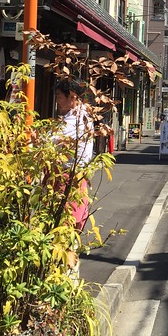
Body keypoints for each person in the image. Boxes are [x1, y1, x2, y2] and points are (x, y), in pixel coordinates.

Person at [54, 78, 94, 230]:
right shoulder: (77, 117)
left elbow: (53, 142)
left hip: (68, 176)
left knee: (65, 223)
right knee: (70, 223)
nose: (57, 101)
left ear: (72, 97)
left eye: (59, 96)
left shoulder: (77, 121)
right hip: (73, 176)